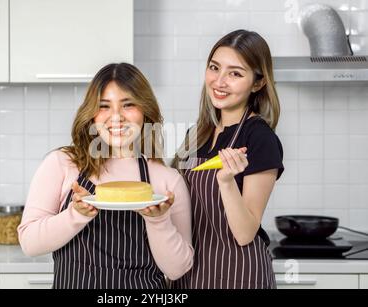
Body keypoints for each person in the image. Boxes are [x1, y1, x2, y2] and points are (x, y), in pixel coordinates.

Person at [18, 63, 194, 289]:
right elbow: (29, 243)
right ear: (91, 114)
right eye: (104, 106)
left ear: (145, 111)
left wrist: (158, 220)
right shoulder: (62, 164)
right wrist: (76, 215)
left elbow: (177, 269)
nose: (116, 117)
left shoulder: (167, 180)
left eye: (128, 104)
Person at [171, 30, 284, 289]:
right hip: (189, 272)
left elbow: (245, 233)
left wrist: (226, 182)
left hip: (237, 273)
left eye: (235, 73)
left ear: (257, 83)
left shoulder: (259, 137)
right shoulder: (197, 134)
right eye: (214, 68)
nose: (219, 82)